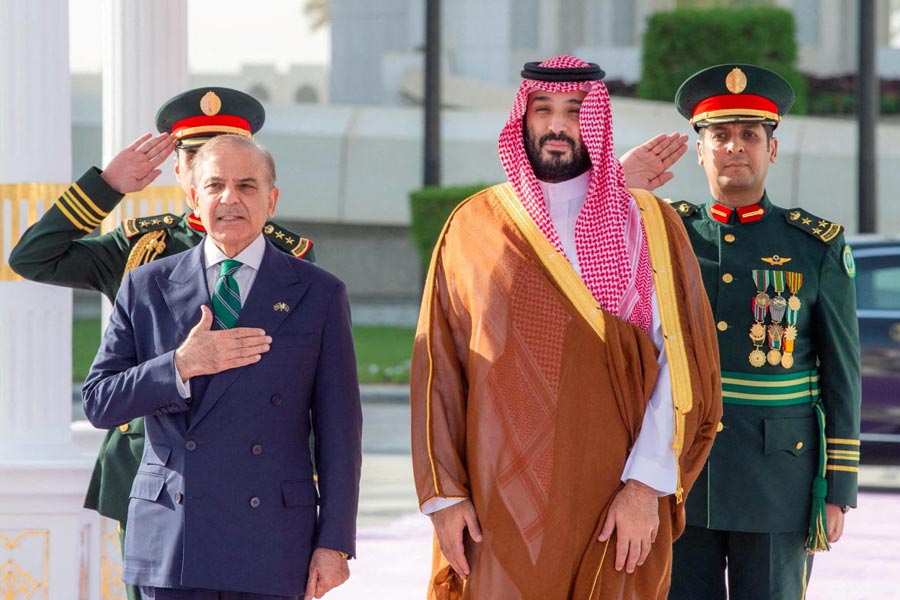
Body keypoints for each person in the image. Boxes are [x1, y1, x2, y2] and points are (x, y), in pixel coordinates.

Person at [409, 55, 723, 599]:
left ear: (596, 120)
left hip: (612, 501)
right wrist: (445, 497)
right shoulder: (473, 227)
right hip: (495, 504)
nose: (558, 126)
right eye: (544, 110)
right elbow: (438, 369)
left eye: (575, 111)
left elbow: (681, 364)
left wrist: (645, 488)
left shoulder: (647, 223)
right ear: (522, 119)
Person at [8, 86, 314, 600]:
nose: (207, 163)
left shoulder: (289, 259)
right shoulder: (141, 246)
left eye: (222, 148)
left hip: (250, 476)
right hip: (151, 466)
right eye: (193, 154)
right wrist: (106, 187)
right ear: (180, 172)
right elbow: (33, 257)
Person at [82, 134, 361, 599]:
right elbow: (98, 403)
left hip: (271, 540)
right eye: (215, 186)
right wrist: (179, 366)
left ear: (271, 200)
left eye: (247, 186)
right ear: (194, 197)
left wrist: (334, 544)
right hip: (174, 538)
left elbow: (340, 431)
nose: (230, 198)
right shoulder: (145, 286)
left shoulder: (318, 293)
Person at [668, 64, 861, 599]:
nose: (735, 147)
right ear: (700, 151)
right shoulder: (668, 235)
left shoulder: (815, 245)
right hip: (684, 475)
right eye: (720, 136)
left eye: (750, 135)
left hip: (780, 479)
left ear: (770, 151)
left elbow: (842, 375)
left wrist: (837, 487)